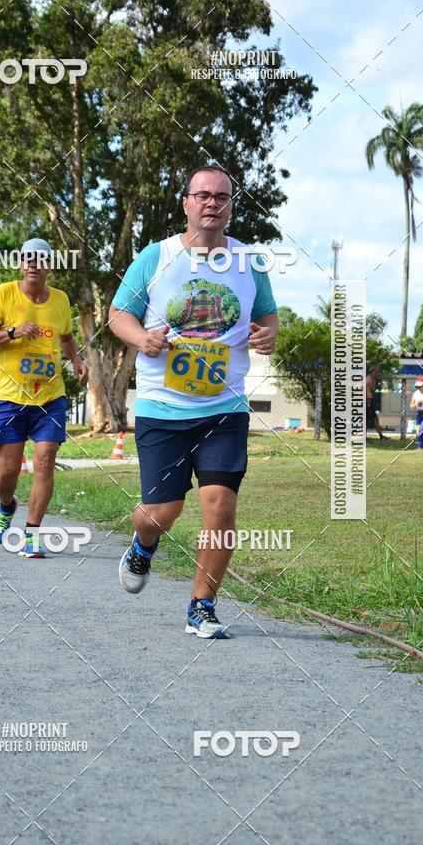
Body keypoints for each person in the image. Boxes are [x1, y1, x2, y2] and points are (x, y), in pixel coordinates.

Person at [109, 164, 278, 638]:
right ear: (186, 203)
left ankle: (202, 605)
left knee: (220, 504)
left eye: (221, 196)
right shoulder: (155, 257)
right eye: (202, 195)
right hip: (163, 408)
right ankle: (143, 546)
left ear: (230, 206)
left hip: (223, 408)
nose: (212, 202)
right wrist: (142, 338)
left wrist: (267, 336)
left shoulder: (250, 262)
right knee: (161, 513)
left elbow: (267, 316)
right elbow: (118, 314)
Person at [0, 237, 88, 557]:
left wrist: (77, 361)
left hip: (50, 396)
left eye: (40, 260)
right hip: (10, 397)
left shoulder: (61, 300)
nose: (33, 265)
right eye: (28, 259)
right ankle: (6, 506)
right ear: (21, 264)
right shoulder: (4, 293)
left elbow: (66, 336)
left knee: (45, 458)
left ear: (50, 266)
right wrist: (12, 332)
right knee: (6, 472)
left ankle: (33, 533)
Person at [366, 367, 388, 442]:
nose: (378, 374)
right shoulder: (368, 379)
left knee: (376, 419)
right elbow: (366, 391)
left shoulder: (373, 379)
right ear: (373, 372)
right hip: (367, 402)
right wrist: (368, 403)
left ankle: (381, 436)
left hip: (371, 402)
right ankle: (364, 438)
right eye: (377, 372)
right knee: (366, 420)